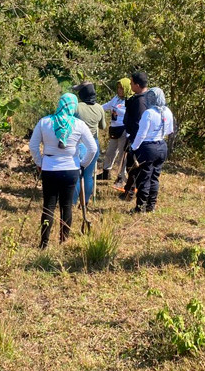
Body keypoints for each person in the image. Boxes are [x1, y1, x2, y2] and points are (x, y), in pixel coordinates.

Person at [29, 93, 97, 248]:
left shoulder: (44, 122)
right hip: (70, 169)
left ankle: (44, 243)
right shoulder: (79, 124)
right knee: (66, 206)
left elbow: (33, 146)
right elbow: (92, 149)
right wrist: (82, 164)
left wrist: (39, 162)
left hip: (49, 168)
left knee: (49, 206)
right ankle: (63, 240)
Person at [129, 88, 174, 213]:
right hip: (162, 146)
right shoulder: (167, 111)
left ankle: (140, 207)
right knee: (155, 177)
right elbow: (170, 131)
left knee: (145, 177)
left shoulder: (148, 113)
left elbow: (141, 134)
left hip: (148, 147)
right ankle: (151, 206)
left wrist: (133, 147)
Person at [72, 82, 106, 206]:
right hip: (93, 144)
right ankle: (85, 202)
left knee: (76, 174)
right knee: (88, 175)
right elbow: (103, 126)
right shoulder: (99, 107)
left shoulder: (77, 107)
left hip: (79, 144)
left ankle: (73, 202)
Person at [121, 72, 150, 200]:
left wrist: (132, 139)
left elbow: (138, 122)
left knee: (132, 167)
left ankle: (130, 193)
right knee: (132, 166)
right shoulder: (146, 98)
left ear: (137, 85)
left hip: (136, 137)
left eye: (132, 83)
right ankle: (130, 191)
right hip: (137, 137)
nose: (130, 85)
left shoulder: (140, 102)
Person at [101, 78, 132, 190]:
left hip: (124, 130)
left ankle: (120, 178)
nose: (119, 90)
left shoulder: (130, 100)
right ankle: (106, 172)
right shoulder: (116, 99)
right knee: (110, 152)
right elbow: (107, 106)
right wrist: (95, 109)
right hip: (114, 129)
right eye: (118, 88)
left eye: (122, 88)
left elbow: (129, 114)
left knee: (122, 156)